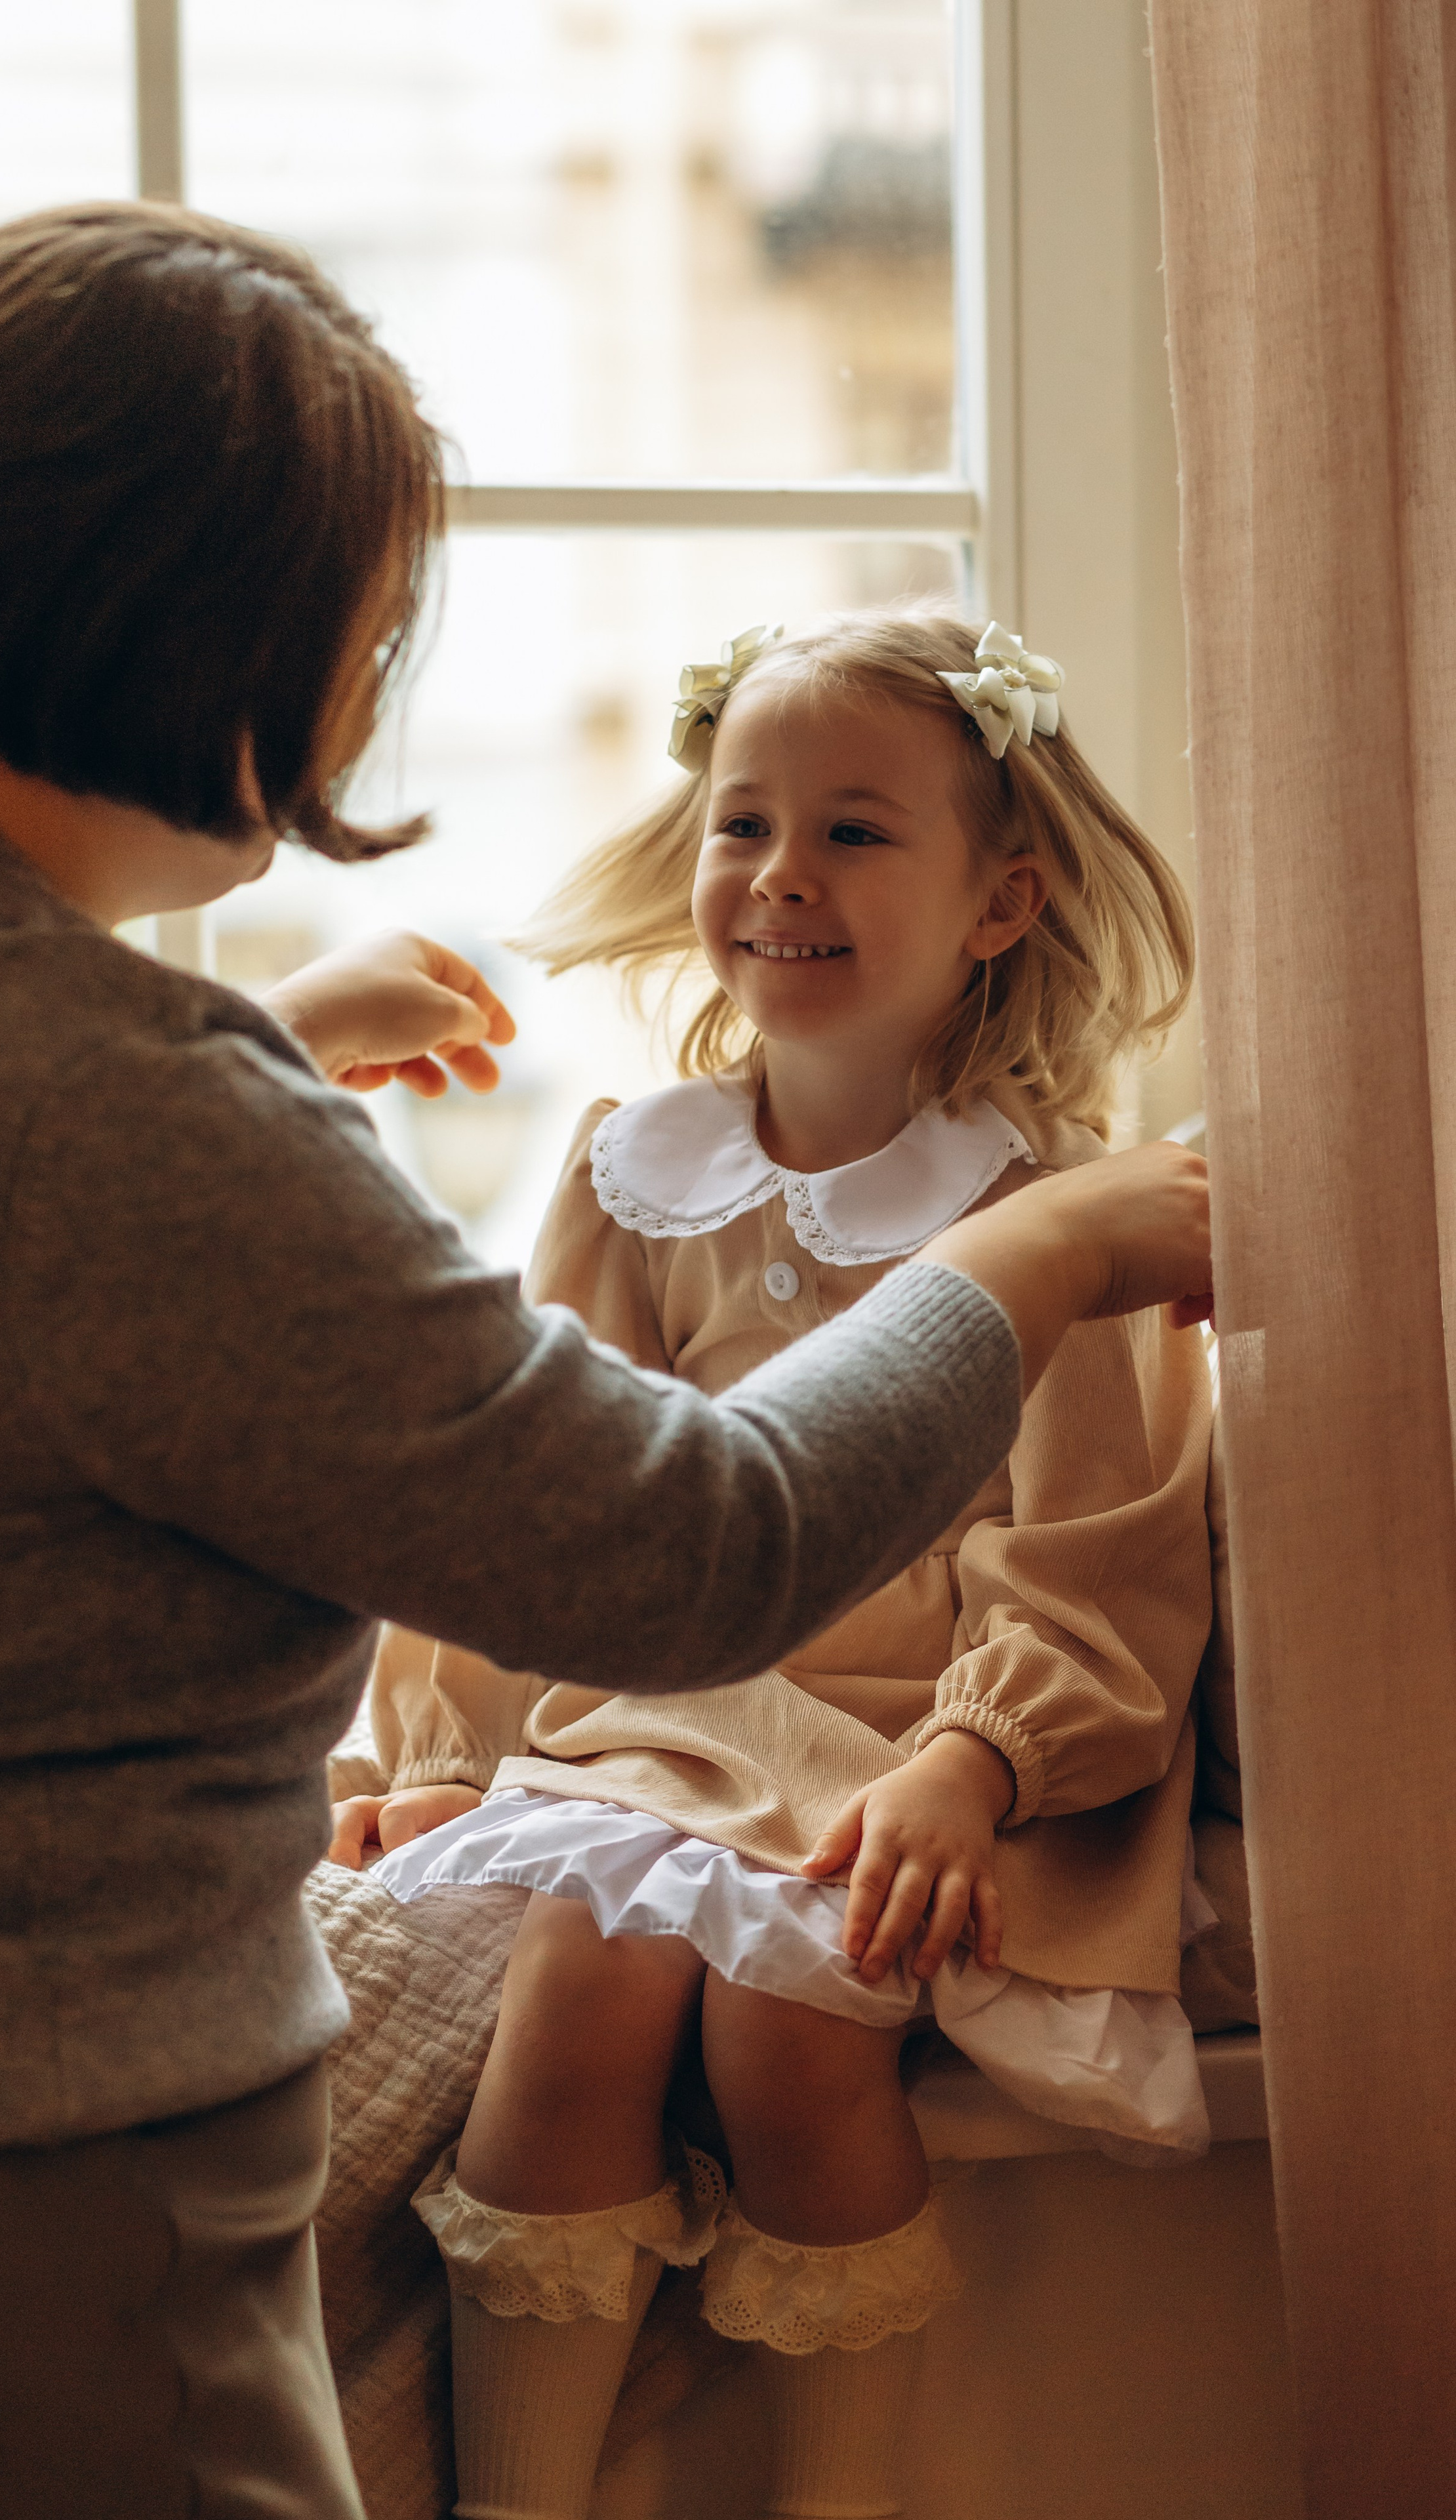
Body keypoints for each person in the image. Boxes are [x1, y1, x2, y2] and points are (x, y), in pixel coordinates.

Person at [0, 199, 1209, 2520]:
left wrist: (235, 1051)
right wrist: (1042, 1258)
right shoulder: (135, 1112)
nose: (367, 702)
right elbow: (679, 1541)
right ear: (216, 649)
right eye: (362, 638)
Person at [333, 610, 1217, 2520]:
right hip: (663, 1722)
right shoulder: (633, 1171)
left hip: (913, 1750)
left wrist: (977, 1764)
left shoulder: (1059, 1206)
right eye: (745, 824)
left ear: (1003, 900)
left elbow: (1097, 1553)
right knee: (575, 1990)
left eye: (857, 832)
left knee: (793, 2023)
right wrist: (431, 1749)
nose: (782, 875)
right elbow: (525, 1492)